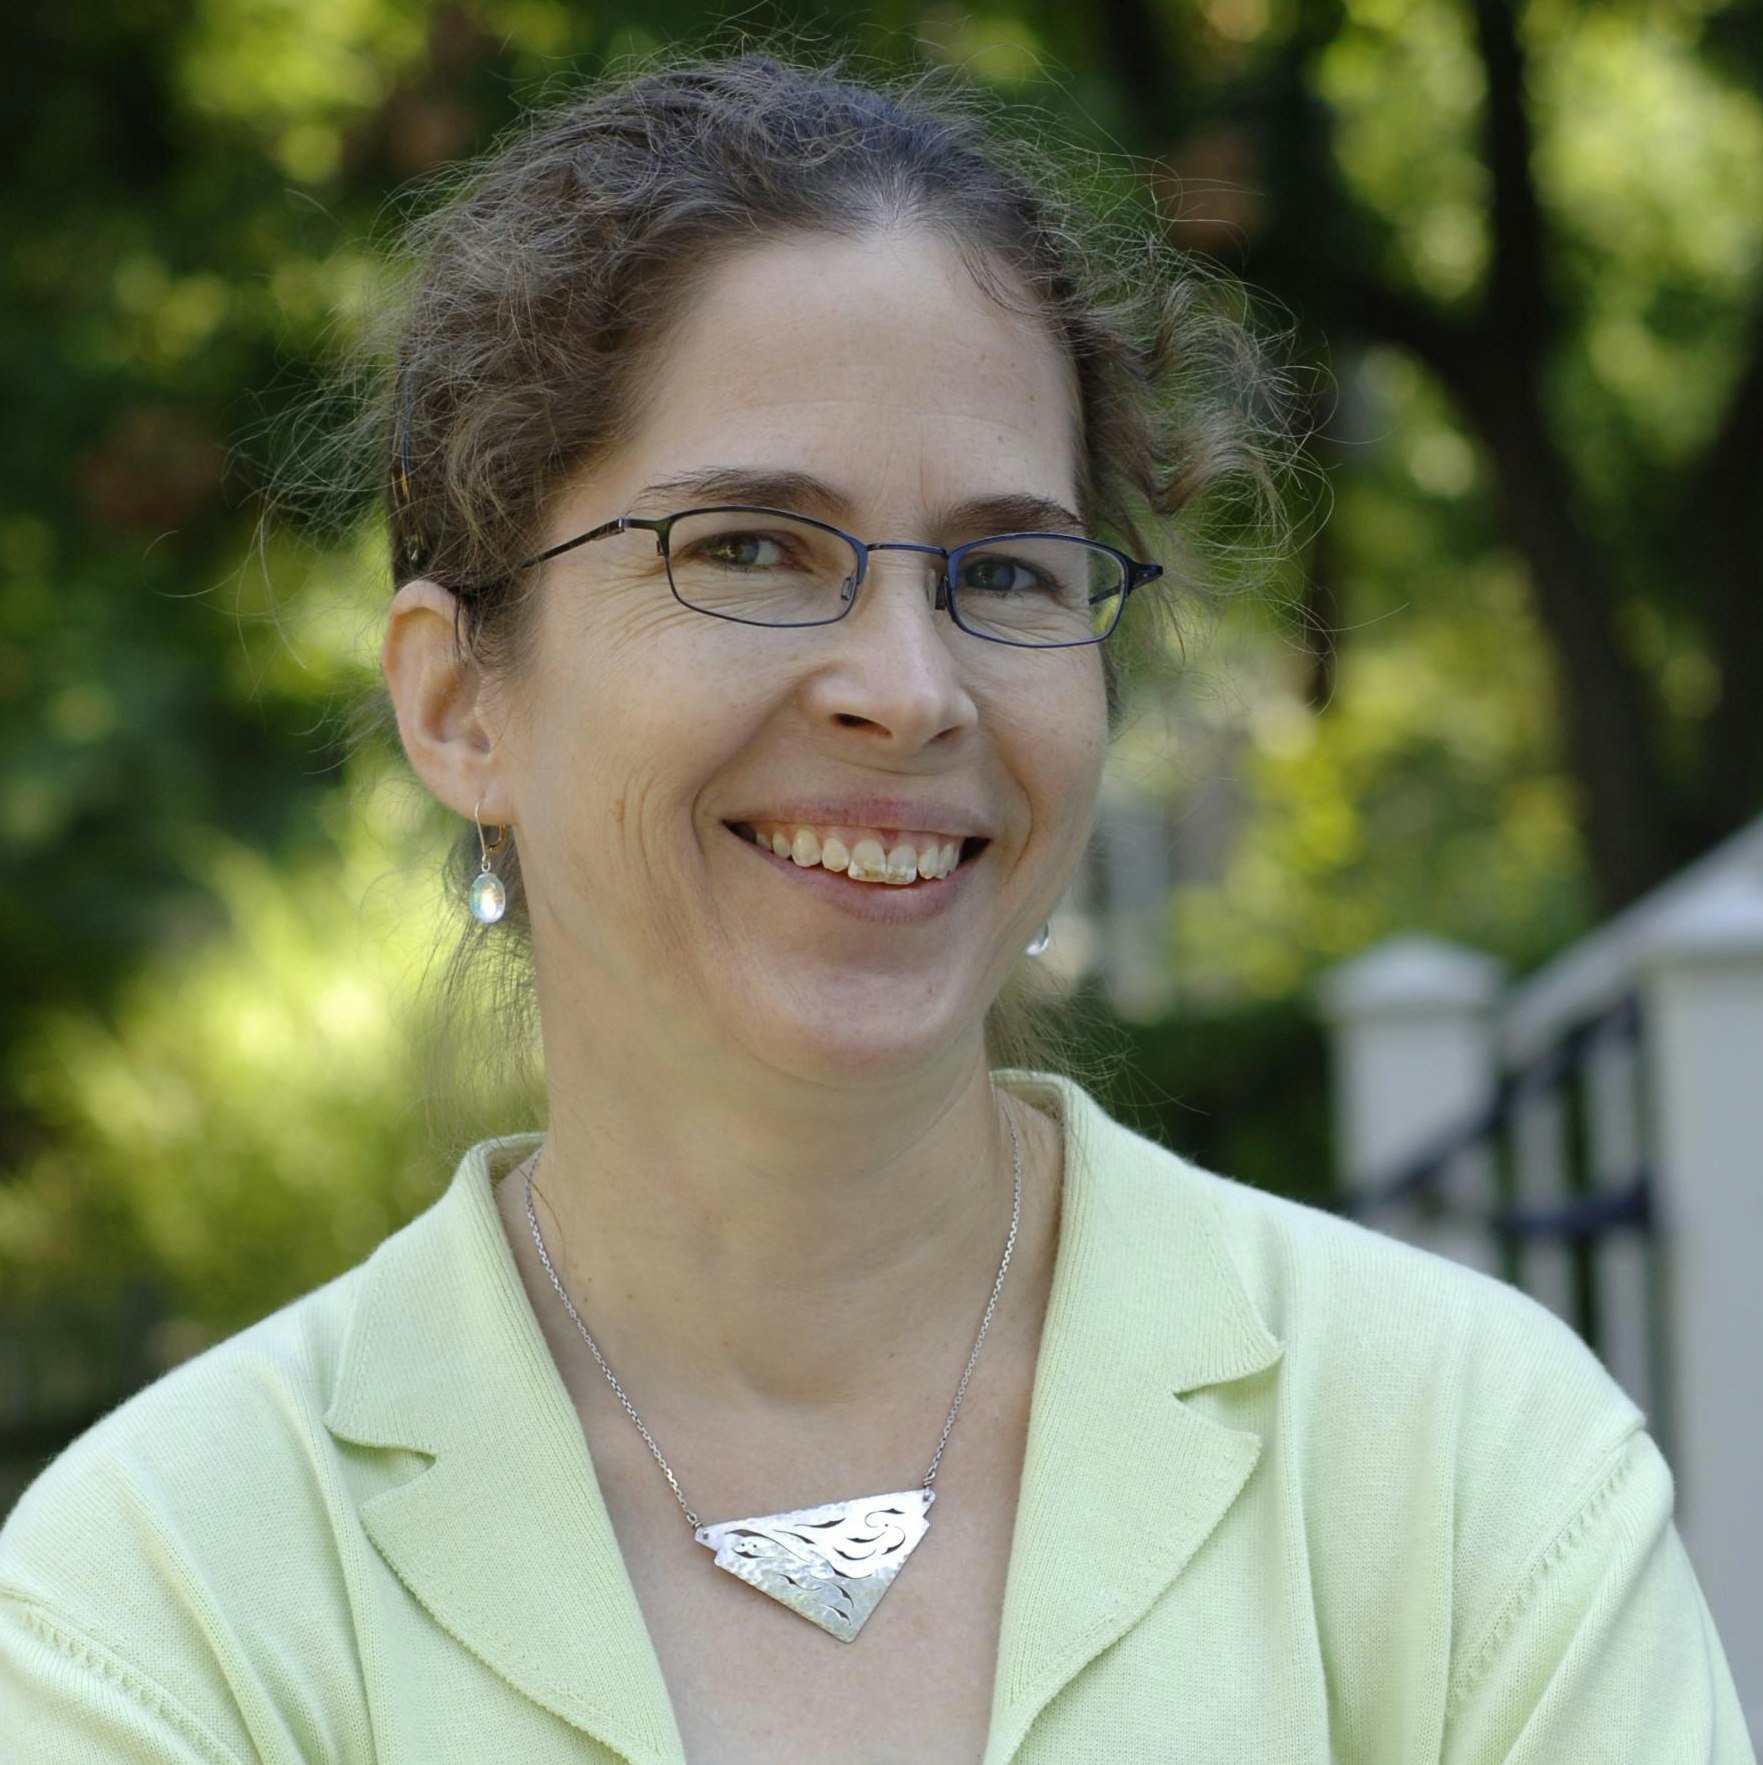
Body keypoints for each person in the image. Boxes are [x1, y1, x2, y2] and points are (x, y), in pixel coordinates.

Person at [0, 49, 1753, 1765]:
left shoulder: (1461, 1468)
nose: (909, 689)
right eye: (751, 545)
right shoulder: (168, 1598)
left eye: (1004, 569)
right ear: (464, 702)